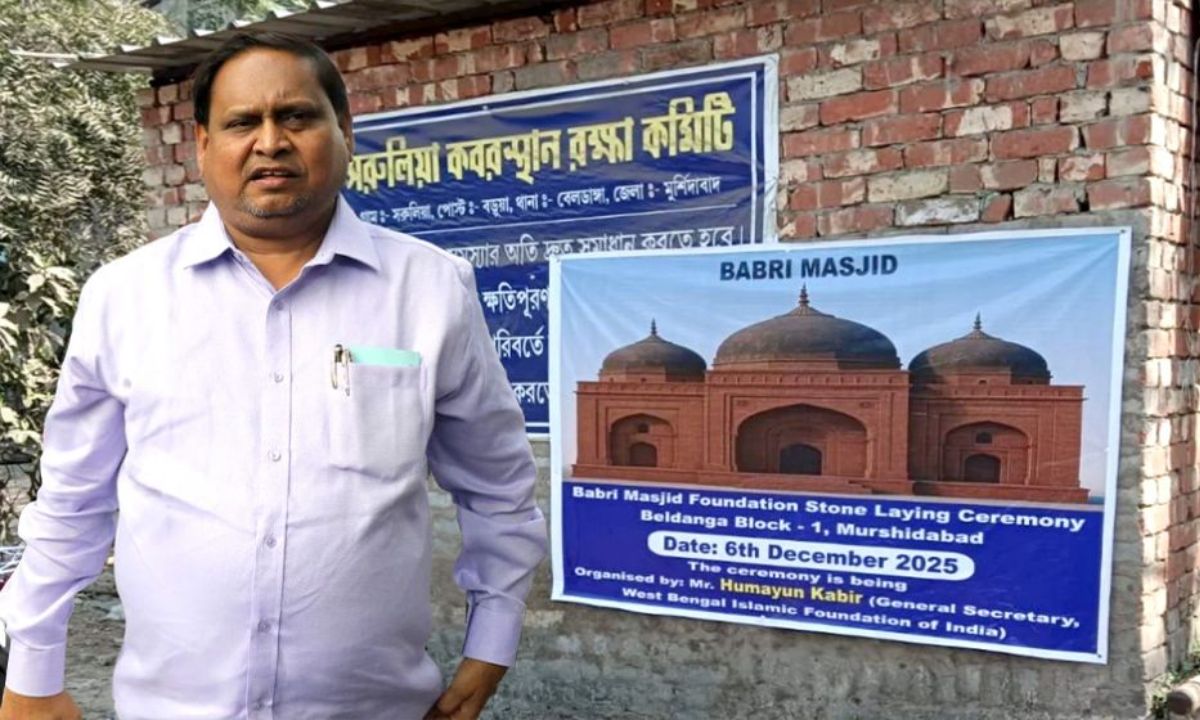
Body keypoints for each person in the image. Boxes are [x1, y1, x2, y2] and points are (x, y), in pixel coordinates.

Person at [0, 32, 546, 720]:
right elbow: (74, 500)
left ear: (344, 130)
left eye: (296, 116)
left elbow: (497, 486)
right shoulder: (125, 297)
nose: (270, 142)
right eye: (241, 122)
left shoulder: (431, 289)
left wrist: (492, 642)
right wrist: (33, 672)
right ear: (202, 144)